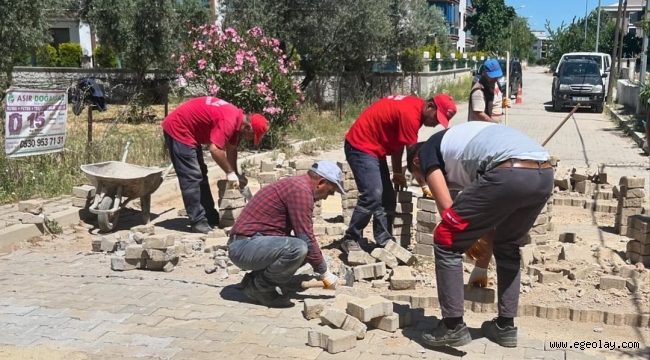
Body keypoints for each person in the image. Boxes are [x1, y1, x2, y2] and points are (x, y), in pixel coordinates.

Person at [405, 121, 553, 348]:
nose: (425, 183)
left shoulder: (426, 152)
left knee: (445, 239)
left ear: (416, 162)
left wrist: (461, 238)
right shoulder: (462, 151)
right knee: (507, 246)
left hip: (508, 172)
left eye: (420, 178)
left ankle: (452, 326)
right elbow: (490, 218)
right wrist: (481, 267)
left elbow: (446, 208)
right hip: (543, 175)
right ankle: (505, 327)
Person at [339, 94, 458, 255]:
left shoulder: (415, 108)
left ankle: (384, 240)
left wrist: (397, 173)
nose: (436, 123)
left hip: (375, 149)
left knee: (387, 197)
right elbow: (413, 158)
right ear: (429, 106)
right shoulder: (411, 116)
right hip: (360, 146)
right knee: (372, 194)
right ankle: (350, 238)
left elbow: (398, 145)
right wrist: (424, 183)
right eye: (436, 118)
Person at [227, 160, 345, 308]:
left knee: (301, 250)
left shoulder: (298, 185)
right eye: (330, 191)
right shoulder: (301, 191)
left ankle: (253, 280)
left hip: (249, 244)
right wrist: (325, 274)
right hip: (243, 246)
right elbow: (306, 237)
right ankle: (260, 289)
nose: (326, 197)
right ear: (320, 182)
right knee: (299, 248)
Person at [161, 96, 269, 234]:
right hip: (179, 128)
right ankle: (197, 221)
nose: (249, 140)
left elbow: (231, 149)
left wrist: (235, 174)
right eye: (250, 136)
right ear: (247, 127)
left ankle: (209, 215)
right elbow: (215, 150)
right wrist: (230, 173)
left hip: (191, 132)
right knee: (192, 175)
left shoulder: (236, 121)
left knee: (201, 172)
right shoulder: (229, 121)